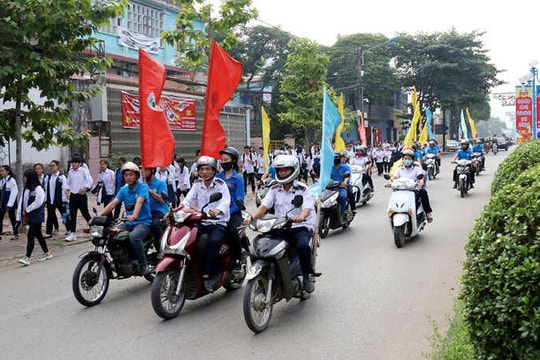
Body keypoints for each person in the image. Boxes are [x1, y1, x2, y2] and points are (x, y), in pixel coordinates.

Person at [242, 154, 315, 293]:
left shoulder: (302, 189)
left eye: (286, 170)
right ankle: (263, 272)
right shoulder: (274, 189)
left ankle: (306, 275)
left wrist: (301, 216)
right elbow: (264, 207)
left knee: (303, 246)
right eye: (280, 170)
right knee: (257, 245)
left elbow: (306, 208)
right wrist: (251, 217)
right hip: (279, 226)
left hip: (298, 227)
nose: (282, 173)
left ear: (293, 170)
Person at [181, 155, 231, 294]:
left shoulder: (221, 184)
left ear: (214, 171)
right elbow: (187, 201)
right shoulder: (197, 185)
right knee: (189, 240)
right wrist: (177, 210)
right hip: (201, 221)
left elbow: (225, 202)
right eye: (202, 169)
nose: (204, 172)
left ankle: (208, 274)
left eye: (207, 169)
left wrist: (217, 211)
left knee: (214, 242)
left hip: (217, 222)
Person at [100, 162, 153, 275]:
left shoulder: (142, 187)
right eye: (126, 175)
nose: (128, 177)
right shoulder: (124, 190)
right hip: (129, 223)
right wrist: (99, 216)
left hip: (143, 223)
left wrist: (134, 215)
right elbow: (113, 204)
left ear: (136, 176)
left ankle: (144, 265)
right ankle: (122, 261)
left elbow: (139, 202)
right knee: (111, 235)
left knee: (133, 237)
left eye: (131, 175)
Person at [216, 147, 245, 271]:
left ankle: (237, 259)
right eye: (221, 160)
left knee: (233, 232)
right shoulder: (218, 177)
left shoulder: (238, 178)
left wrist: (227, 211)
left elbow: (239, 199)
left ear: (233, 161)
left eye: (226, 159)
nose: (223, 162)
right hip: (217, 212)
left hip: (233, 213)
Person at [388, 147, 433, 223]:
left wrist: (420, 183)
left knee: (423, 192)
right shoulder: (399, 168)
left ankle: (428, 213)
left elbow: (420, 177)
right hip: (401, 190)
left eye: (408, 158)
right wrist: (390, 183)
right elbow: (394, 178)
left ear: (412, 159)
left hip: (413, 190)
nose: (406, 160)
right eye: (405, 158)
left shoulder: (417, 167)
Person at [17, 169, 52, 266]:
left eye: (25, 177)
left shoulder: (38, 189)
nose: (24, 179)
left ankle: (27, 257)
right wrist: (19, 215)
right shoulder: (27, 189)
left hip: (37, 216)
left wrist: (27, 210)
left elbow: (38, 202)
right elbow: (22, 202)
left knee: (30, 235)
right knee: (39, 235)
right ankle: (47, 252)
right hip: (30, 216)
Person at [64, 156, 94, 242]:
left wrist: (85, 188)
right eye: (72, 163)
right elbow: (68, 182)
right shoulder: (70, 172)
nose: (73, 164)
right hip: (73, 195)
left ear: (79, 163)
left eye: (75, 162)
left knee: (85, 213)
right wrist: (66, 189)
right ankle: (72, 233)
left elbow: (90, 181)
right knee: (72, 215)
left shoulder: (84, 171)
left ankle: (93, 230)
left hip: (81, 195)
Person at [143, 167, 169, 251]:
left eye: (145, 170)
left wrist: (150, 191)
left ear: (152, 171)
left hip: (158, 211)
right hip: (145, 211)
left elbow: (162, 200)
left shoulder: (160, 184)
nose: (142, 172)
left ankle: (160, 248)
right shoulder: (140, 184)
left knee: (155, 225)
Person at [43, 160, 68, 238]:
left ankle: (69, 229)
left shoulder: (62, 177)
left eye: (53, 165)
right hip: (51, 200)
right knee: (50, 216)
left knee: (64, 215)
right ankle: (48, 232)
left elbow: (64, 189)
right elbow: (46, 189)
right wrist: (46, 200)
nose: (52, 167)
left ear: (57, 166)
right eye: (50, 166)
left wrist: (64, 200)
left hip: (60, 200)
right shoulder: (48, 177)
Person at [330, 151, 353, 223]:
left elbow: (347, 175)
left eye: (337, 157)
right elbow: (325, 177)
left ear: (340, 158)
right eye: (334, 157)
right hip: (331, 188)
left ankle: (342, 214)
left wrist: (345, 181)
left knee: (342, 196)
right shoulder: (330, 167)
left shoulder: (345, 167)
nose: (335, 159)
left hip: (341, 187)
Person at [0, 165, 19, 241]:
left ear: (7, 171)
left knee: (12, 219)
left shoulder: (12, 181)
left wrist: (9, 205)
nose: (1, 172)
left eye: (2, 170)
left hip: (10, 203)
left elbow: (14, 193)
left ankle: (16, 233)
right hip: (2, 203)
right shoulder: (2, 181)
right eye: (0, 171)